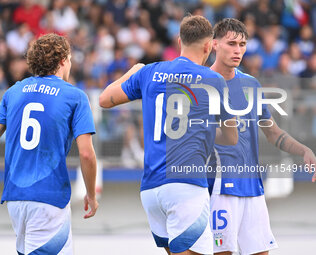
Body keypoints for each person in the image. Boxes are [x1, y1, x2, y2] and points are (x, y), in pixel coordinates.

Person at [100, 15, 238, 255]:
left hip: (151, 188)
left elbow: (104, 99)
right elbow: (232, 137)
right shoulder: (213, 79)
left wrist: (132, 72)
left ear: (179, 41)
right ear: (208, 46)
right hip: (185, 186)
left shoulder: (150, 72)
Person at [0, 33, 98, 254]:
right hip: (48, 197)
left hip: (15, 199)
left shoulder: (13, 92)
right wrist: (91, 193)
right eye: (69, 59)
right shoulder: (75, 96)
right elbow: (87, 154)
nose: (70, 64)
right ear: (62, 61)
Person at [209, 18, 316, 255]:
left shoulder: (251, 84)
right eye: (232, 44)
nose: (238, 50)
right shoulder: (202, 84)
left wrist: (305, 150)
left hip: (253, 188)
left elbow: (272, 132)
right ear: (215, 44)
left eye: (243, 44)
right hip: (220, 187)